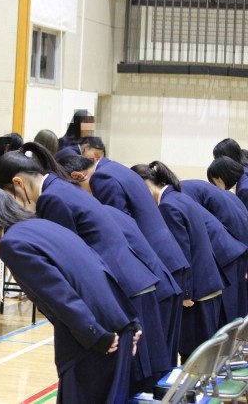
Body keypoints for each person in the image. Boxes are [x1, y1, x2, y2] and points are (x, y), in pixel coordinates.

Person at [0, 142, 167, 392]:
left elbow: (69, 264)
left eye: (9, 198)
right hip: (131, 281)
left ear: (18, 183)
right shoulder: (62, 187)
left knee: (122, 385)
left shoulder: (52, 198)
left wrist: (85, 327)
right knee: (135, 382)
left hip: (121, 288)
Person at [0, 187, 140, 404]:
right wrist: (131, 320)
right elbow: (99, 266)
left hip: (95, 337)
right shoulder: (44, 225)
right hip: (118, 321)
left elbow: (60, 296)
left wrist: (94, 334)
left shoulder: (12, 244)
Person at [58, 154, 183, 373]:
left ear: (77, 177)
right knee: (162, 364)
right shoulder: (116, 169)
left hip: (144, 275)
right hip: (161, 269)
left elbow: (113, 238)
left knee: (147, 368)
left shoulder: (102, 179)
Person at [131, 161, 224, 362]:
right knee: (205, 355)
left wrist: (185, 293)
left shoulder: (167, 206)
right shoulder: (180, 197)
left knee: (195, 357)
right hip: (208, 283)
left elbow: (181, 253)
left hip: (195, 292)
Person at [181, 179, 248, 323]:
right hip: (235, 247)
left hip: (225, 252)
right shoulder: (190, 190)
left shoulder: (175, 200)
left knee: (230, 314)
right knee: (239, 311)